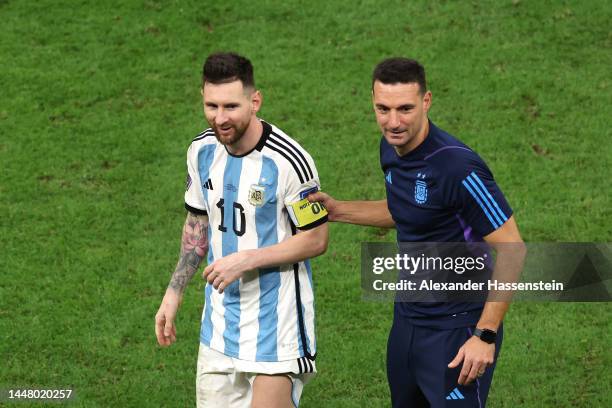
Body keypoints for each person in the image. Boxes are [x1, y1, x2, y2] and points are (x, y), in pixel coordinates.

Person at [308, 57, 525, 407]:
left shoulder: (457, 167)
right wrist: (338, 210)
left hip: (457, 328)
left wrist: (485, 335)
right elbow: (407, 211)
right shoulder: (391, 148)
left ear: (427, 101)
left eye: (405, 108)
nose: (393, 122)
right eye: (383, 108)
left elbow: (513, 248)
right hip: (407, 321)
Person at [155, 52, 329, 408]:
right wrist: (174, 292)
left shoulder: (290, 161)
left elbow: (316, 238)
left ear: (255, 100)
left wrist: (245, 260)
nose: (220, 118)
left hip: (276, 329)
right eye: (211, 106)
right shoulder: (201, 151)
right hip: (218, 328)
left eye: (231, 106)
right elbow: (197, 225)